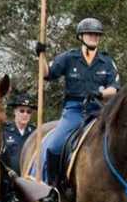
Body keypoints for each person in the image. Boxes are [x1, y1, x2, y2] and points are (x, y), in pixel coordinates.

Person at [35, 18, 120, 186]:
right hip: (74, 111)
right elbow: (47, 74)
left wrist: (100, 93)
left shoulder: (107, 62)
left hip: (98, 112)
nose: (94, 37)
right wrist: (40, 55)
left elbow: (115, 88)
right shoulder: (69, 58)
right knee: (54, 147)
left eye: (97, 35)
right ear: (81, 36)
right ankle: (52, 187)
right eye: (90, 34)